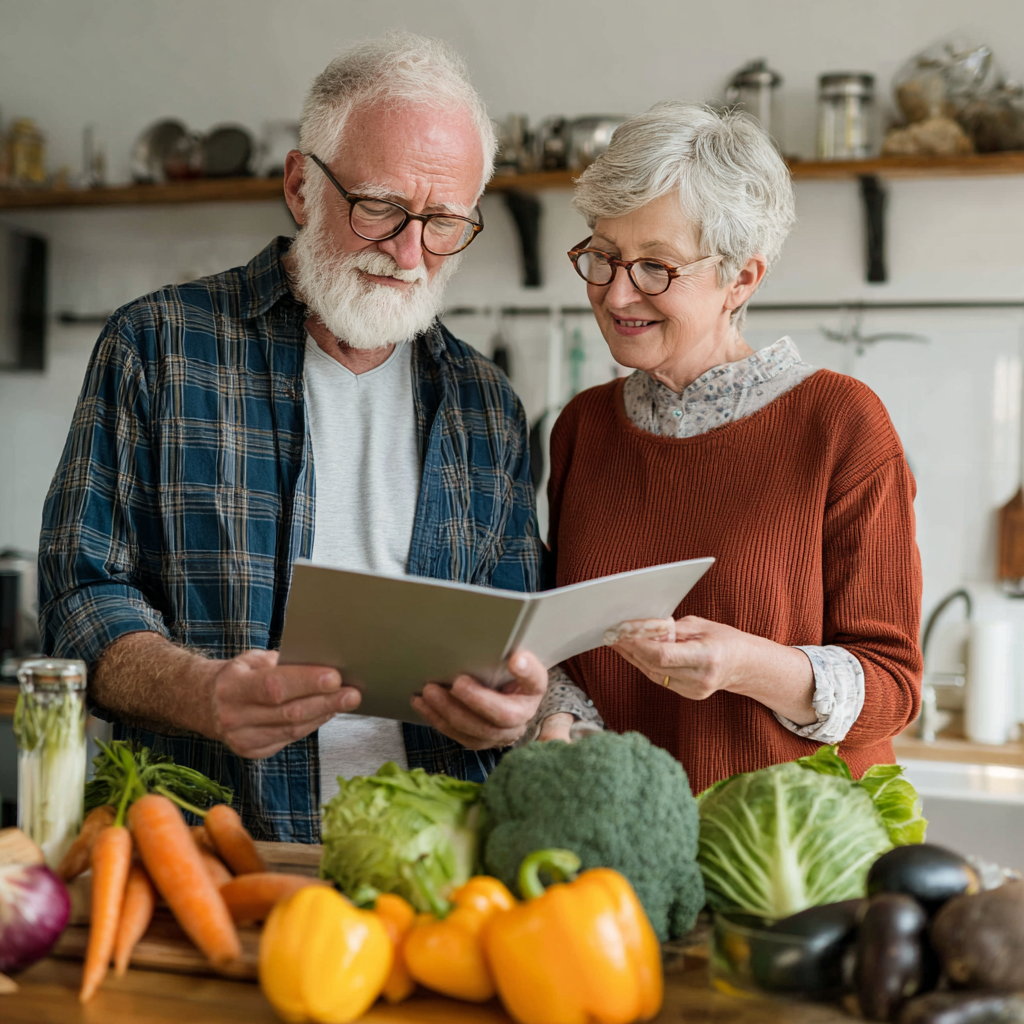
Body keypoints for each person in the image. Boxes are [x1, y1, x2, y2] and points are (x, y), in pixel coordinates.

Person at [37, 34, 548, 841]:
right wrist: (201, 694)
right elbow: (78, 600)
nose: (410, 254)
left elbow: (520, 631)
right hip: (210, 851)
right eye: (379, 207)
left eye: (445, 221)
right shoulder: (158, 345)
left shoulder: (487, 405)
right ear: (301, 184)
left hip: (433, 865)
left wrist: (514, 709)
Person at [528, 101, 922, 791]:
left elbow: (892, 687)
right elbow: (572, 647)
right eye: (603, 256)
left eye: (656, 267)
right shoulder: (582, 427)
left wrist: (748, 666)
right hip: (622, 853)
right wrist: (561, 715)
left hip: (789, 858)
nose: (617, 292)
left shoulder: (841, 422)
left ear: (741, 279)